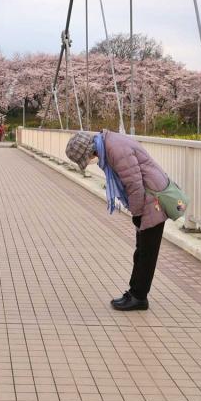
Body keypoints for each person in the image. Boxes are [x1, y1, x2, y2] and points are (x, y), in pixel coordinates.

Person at [65, 130, 170, 311]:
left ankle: (139, 297)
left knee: (147, 251)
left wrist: (137, 214)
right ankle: (135, 292)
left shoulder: (115, 150)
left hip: (153, 198)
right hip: (148, 196)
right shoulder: (109, 143)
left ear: (90, 150)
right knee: (142, 250)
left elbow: (135, 184)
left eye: (87, 158)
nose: (91, 161)